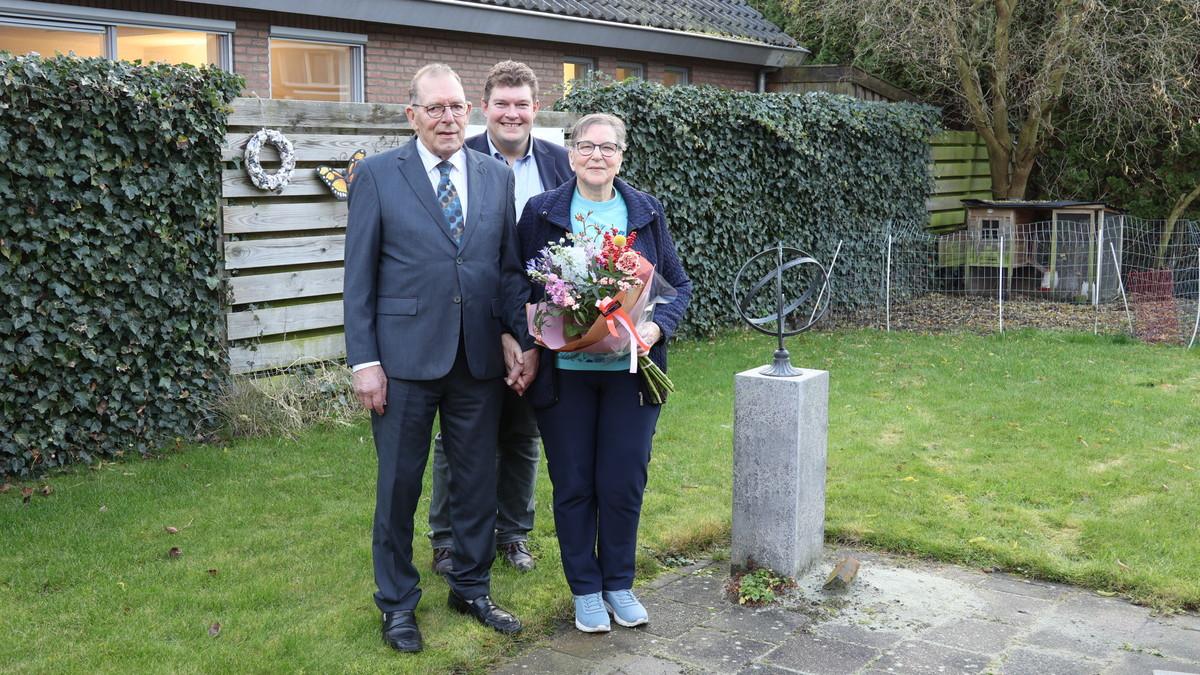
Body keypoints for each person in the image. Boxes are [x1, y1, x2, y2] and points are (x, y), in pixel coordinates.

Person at [343, 63, 537, 654]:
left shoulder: (494, 175)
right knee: (398, 488)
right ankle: (397, 603)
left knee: (476, 483)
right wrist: (364, 362)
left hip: (476, 359)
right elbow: (358, 278)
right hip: (402, 363)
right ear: (412, 115)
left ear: (467, 111)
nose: (448, 118)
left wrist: (515, 334)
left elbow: (506, 267)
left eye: (456, 107)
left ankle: (471, 588)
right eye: (435, 108)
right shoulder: (378, 175)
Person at [516, 113, 692, 632]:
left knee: (623, 482)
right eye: (586, 146)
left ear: (621, 155)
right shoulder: (541, 211)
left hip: (629, 374)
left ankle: (618, 583)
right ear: (570, 154)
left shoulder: (645, 211)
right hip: (564, 375)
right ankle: (586, 592)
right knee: (574, 484)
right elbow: (518, 283)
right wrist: (536, 331)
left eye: (607, 147)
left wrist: (656, 328)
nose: (597, 155)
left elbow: (677, 286)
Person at [428, 60, 573, 575]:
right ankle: (446, 539)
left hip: (543, 321)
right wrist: (503, 331)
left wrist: (534, 333)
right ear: (483, 108)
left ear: (537, 108)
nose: (512, 113)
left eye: (522, 104)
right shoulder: (456, 159)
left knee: (522, 432)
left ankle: (512, 533)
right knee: (458, 435)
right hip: (470, 320)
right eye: (502, 104)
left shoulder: (562, 164)